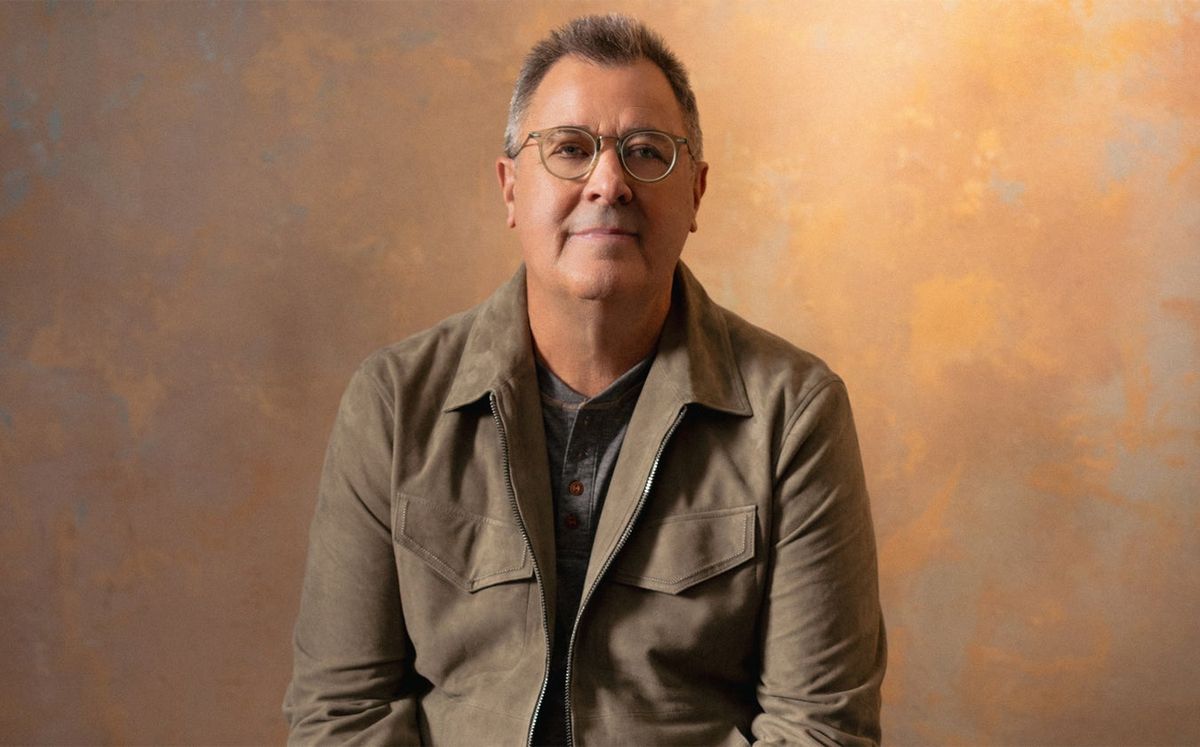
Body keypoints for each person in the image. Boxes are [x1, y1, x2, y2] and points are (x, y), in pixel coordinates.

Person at [284, 13, 885, 746]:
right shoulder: (392, 404)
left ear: (697, 192)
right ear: (511, 188)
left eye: (646, 152)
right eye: (570, 149)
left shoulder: (794, 414)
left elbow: (821, 729)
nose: (609, 183)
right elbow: (342, 715)